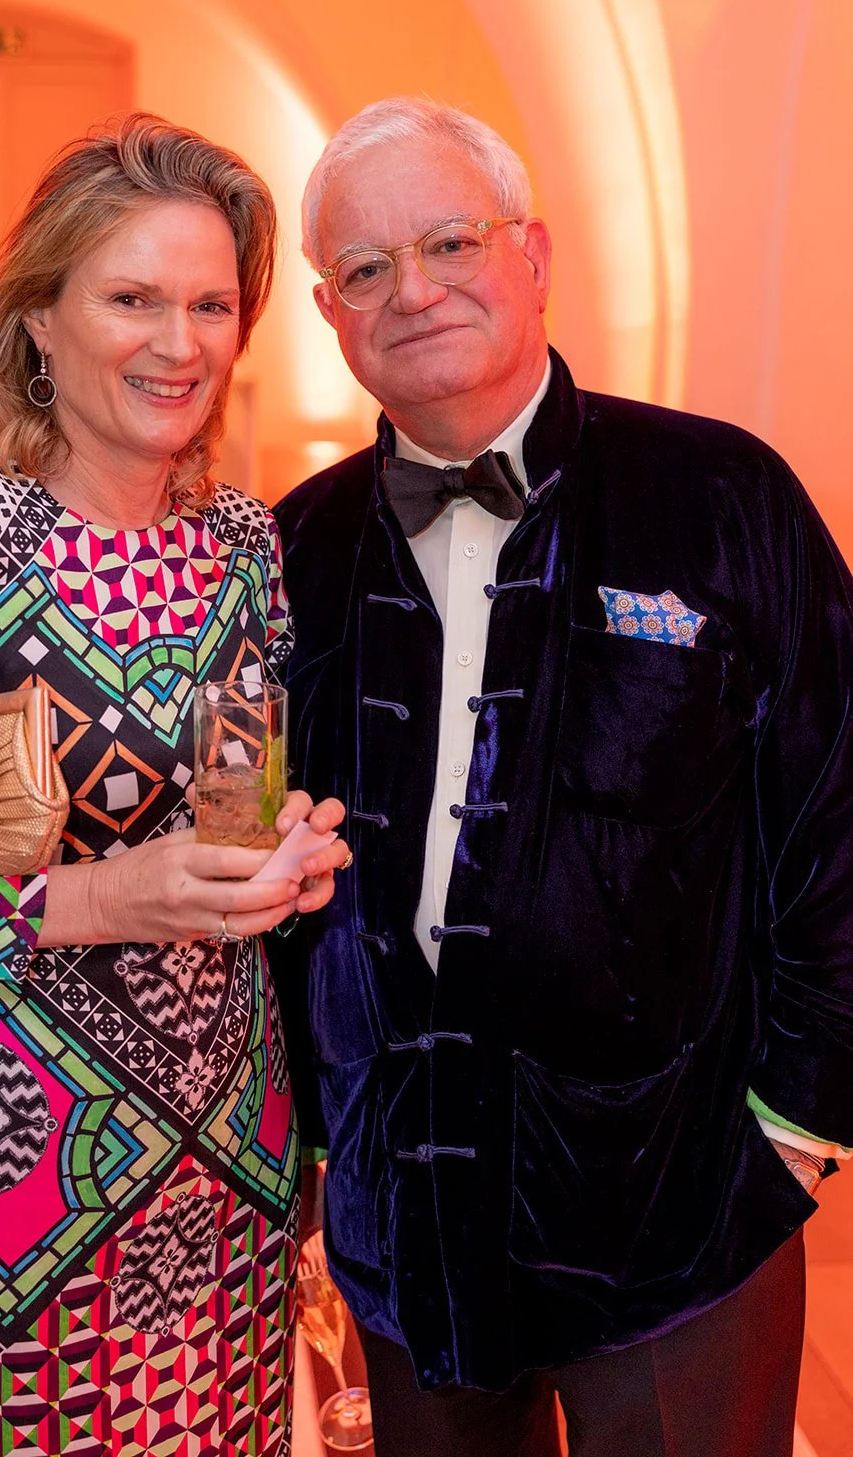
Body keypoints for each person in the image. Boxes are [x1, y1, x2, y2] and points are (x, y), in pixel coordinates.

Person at [269, 96, 853, 1457]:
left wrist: (795, 1127)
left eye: (449, 242)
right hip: (409, 1220)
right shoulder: (293, 550)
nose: (413, 290)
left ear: (530, 254)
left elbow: (836, 813)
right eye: (366, 267)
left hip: (681, 1210)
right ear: (329, 312)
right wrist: (314, 1144)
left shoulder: (722, 498)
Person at [0, 112, 348, 1457]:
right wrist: (91, 900)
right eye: (132, 299)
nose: (180, 343)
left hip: (230, 1155)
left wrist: (282, 848)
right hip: (9, 1171)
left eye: (211, 305)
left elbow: (233, 796)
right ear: (39, 321)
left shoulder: (241, 544)